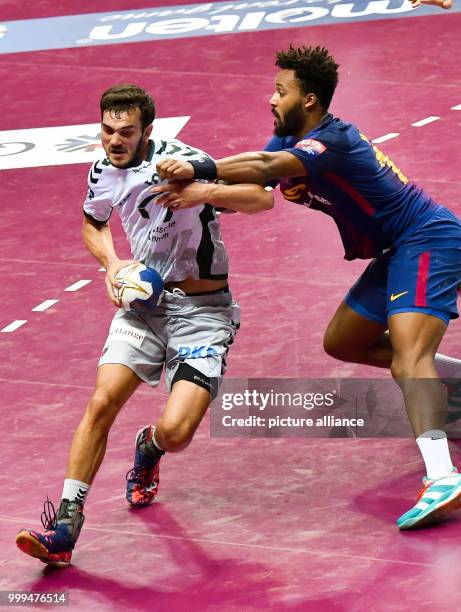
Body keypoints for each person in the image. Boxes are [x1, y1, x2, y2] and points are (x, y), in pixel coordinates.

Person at [154, 46, 461, 530]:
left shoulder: (329, 141)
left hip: (427, 240)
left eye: (281, 91)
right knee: (343, 341)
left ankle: (444, 478)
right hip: (395, 251)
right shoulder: (288, 135)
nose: (271, 99)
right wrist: (201, 193)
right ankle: (456, 386)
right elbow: (256, 193)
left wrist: (200, 169)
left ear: (310, 99)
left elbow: (259, 168)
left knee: (409, 359)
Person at [15, 84, 273, 567]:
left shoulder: (184, 160)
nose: (114, 141)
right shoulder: (102, 172)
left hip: (203, 312)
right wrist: (113, 265)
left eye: (125, 132)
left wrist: (202, 190)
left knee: (177, 431)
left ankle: (149, 447)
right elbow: (93, 223)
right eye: (107, 130)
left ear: (148, 131)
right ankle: (65, 527)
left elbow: (262, 199)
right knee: (102, 400)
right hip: (142, 307)